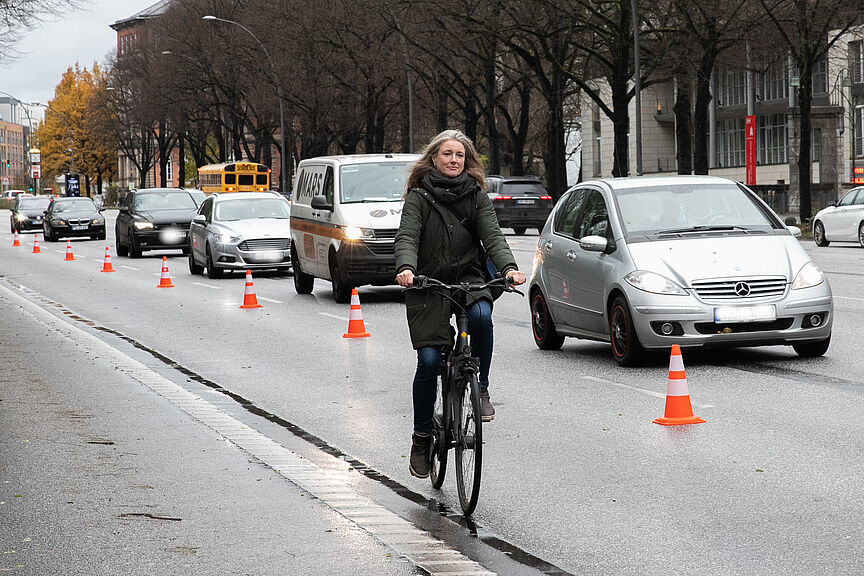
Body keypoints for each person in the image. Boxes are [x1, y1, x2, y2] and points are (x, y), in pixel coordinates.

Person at [394, 129, 526, 479]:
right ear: (434, 159)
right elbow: (407, 236)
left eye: (460, 155)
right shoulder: (418, 198)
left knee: (482, 315)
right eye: (447, 154)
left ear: (466, 162)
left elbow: (492, 236)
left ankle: (481, 387)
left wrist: (509, 268)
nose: (454, 160)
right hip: (427, 282)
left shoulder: (476, 197)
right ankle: (422, 438)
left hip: (468, 277)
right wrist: (407, 268)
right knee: (429, 361)